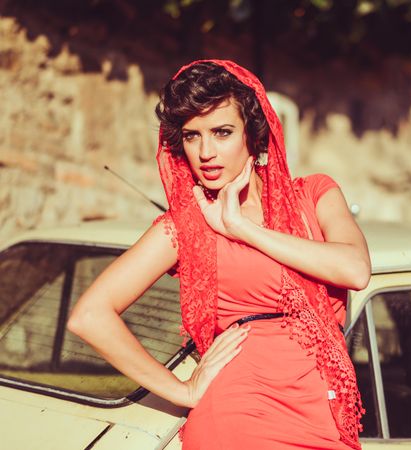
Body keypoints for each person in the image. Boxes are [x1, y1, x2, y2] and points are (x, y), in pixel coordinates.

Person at [67, 60, 371, 450]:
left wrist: (242, 228)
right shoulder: (184, 227)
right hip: (239, 420)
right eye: (192, 136)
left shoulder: (314, 194)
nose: (206, 152)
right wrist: (182, 390)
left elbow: (355, 269)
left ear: (253, 133)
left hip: (322, 418)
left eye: (222, 132)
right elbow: (90, 316)